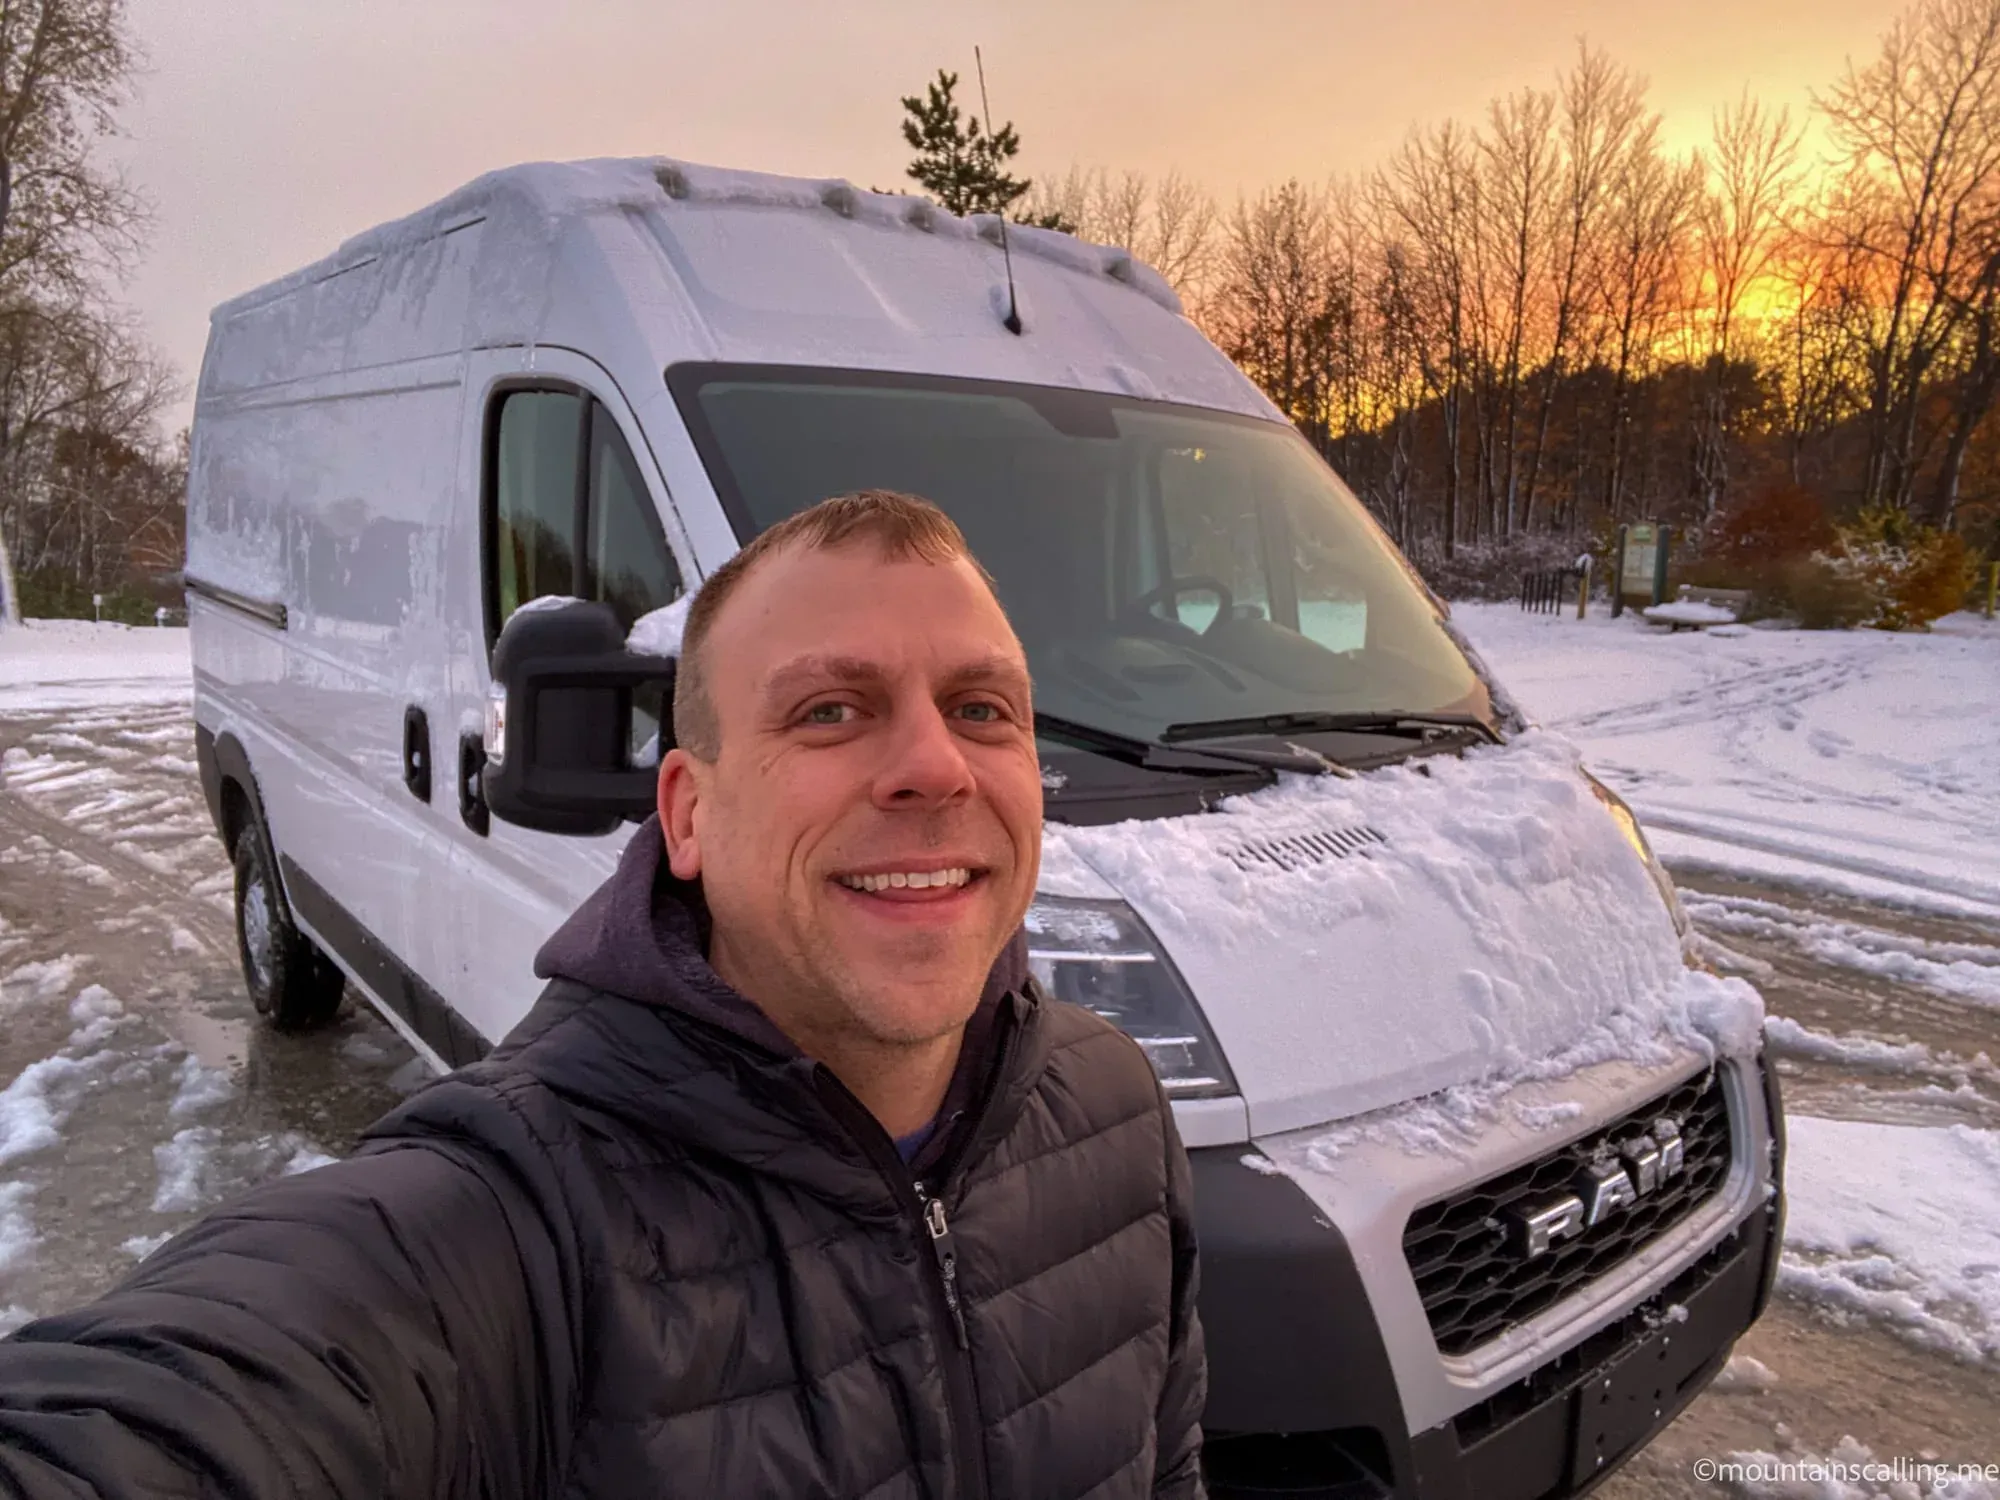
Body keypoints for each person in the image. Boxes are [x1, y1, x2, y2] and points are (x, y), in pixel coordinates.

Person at [0, 491, 1207, 1499]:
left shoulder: (1109, 1108)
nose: (935, 765)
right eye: (828, 711)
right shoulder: (517, 1226)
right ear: (685, 813)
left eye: (979, 708)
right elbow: (190, 1406)